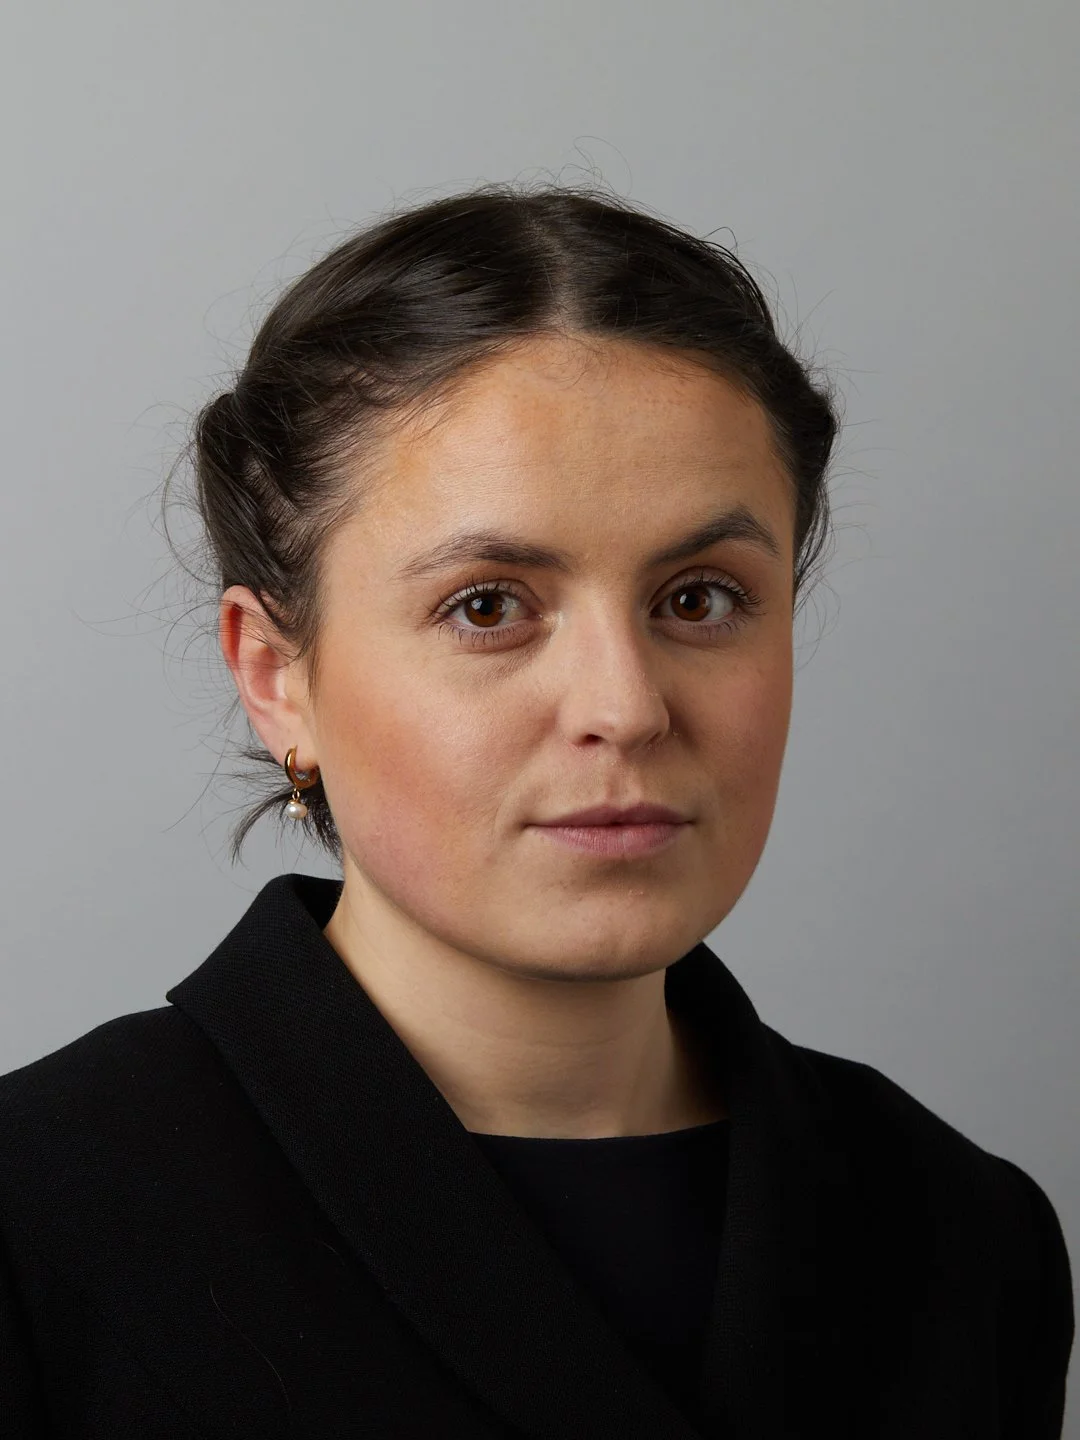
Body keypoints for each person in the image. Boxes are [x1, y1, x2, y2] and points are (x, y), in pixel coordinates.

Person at [0, 184, 1072, 1439]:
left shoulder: (961, 1232)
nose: (624, 708)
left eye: (701, 599)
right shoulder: (37, 1224)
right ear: (275, 675)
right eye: (489, 606)